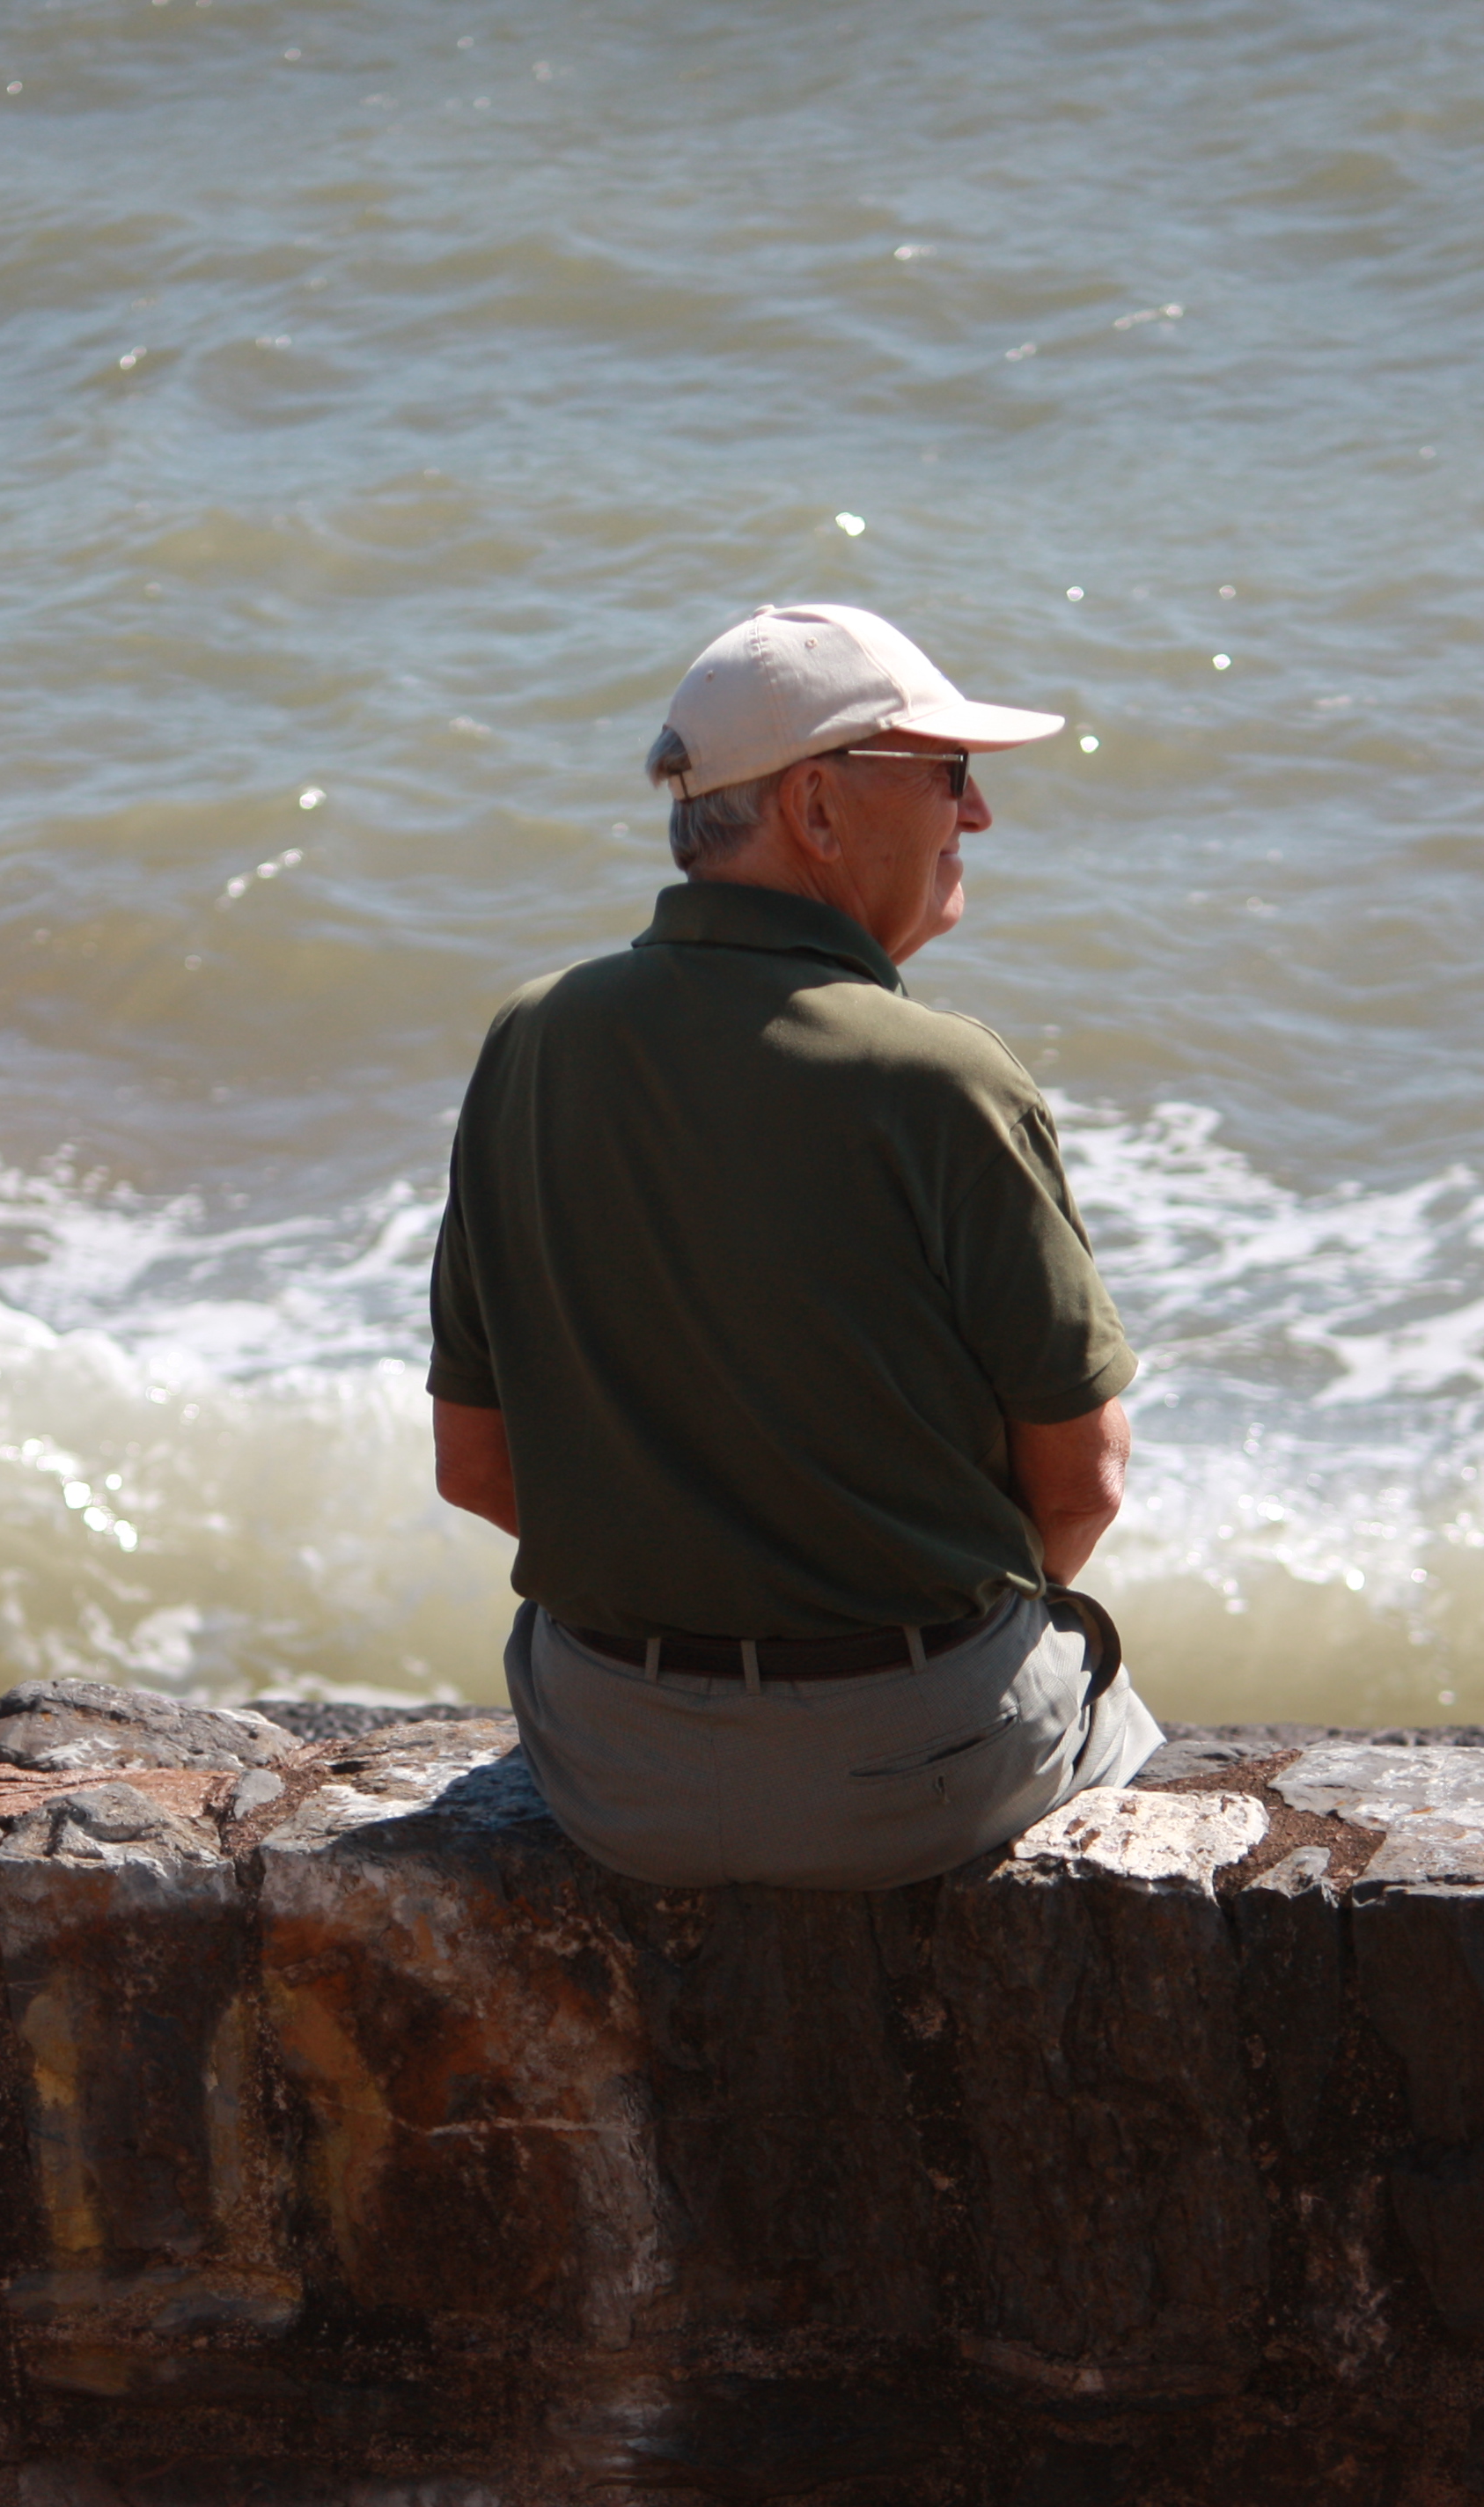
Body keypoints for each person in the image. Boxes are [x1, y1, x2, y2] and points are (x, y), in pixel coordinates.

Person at [425, 601, 1162, 1890]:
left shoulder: (533, 1040)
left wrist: (699, 1585)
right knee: (1124, 1720)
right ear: (816, 807)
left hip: (615, 1768)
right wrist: (904, 1613)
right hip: (918, 1771)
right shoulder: (942, 1078)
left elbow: (475, 1464)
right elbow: (1083, 1482)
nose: (977, 813)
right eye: (948, 772)